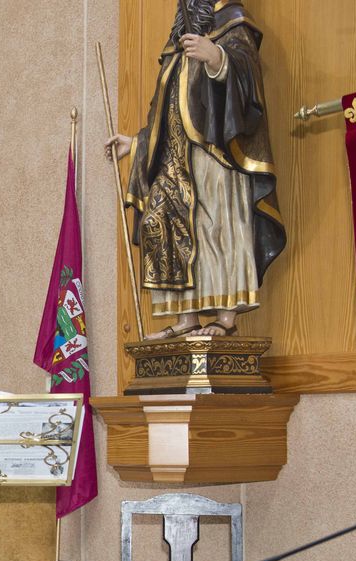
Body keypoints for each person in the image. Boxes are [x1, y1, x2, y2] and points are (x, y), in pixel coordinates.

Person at [105, 0, 284, 340]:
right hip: (172, 156)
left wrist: (216, 57)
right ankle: (186, 318)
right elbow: (167, 104)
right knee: (168, 227)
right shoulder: (177, 38)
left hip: (213, 151)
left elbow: (247, 78)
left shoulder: (232, 21)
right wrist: (138, 143)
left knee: (217, 229)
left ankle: (225, 317)